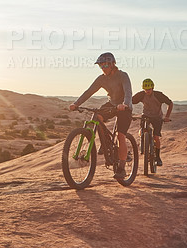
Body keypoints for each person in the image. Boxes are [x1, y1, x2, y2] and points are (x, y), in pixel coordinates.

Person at [69, 52, 133, 180]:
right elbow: (89, 92)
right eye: (101, 66)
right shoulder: (101, 79)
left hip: (124, 107)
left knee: (121, 136)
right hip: (112, 104)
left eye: (105, 65)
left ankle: (121, 168)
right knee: (97, 116)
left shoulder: (122, 75)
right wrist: (76, 103)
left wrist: (125, 104)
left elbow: (128, 91)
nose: (103, 68)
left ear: (112, 64)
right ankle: (106, 144)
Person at [132, 78, 173, 166]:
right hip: (146, 115)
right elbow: (130, 101)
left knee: (156, 137)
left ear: (152, 88)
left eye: (149, 89)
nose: (147, 91)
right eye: (145, 90)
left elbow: (170, 103)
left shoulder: (158, 95)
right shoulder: (141, 94)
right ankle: (144, 145)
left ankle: (157, 157)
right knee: (143, 130)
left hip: (157, 117)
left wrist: (167, 116)